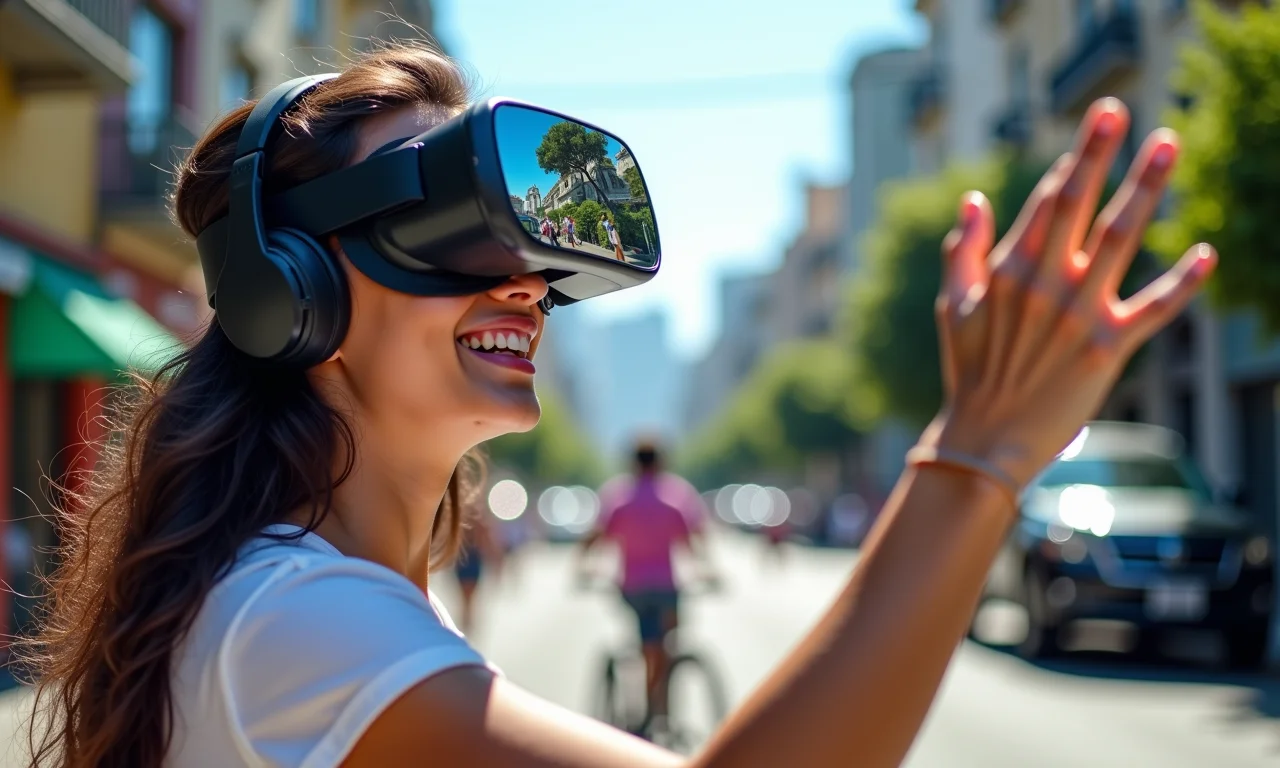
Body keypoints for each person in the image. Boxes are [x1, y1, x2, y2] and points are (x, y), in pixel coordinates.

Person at [16, 39, 1214, 767]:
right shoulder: (295, 617)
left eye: (537, 255)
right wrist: (979, 451)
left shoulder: (299, 592)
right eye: (442, 225)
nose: (526, 286)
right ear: (288, 295)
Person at [577, 439, 713, 724]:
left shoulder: (619, 496)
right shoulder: (676, 495)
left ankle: (647, 707)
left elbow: (597, 535)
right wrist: (706, 569)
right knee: (666, 639)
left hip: (632, 587)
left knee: (646, 641)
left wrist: (582, 567)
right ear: (662, 463)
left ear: (633, 464)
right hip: (667, 587)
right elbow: (693, 539)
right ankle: (658, 700)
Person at [452, 509, 505, 634]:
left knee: (466, 595)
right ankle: (467, 621)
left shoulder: (461, 523)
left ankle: (466, 621)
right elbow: (488, 545)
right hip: (469, 560)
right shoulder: (478, 524)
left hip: (465, 560)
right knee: (468, 595)